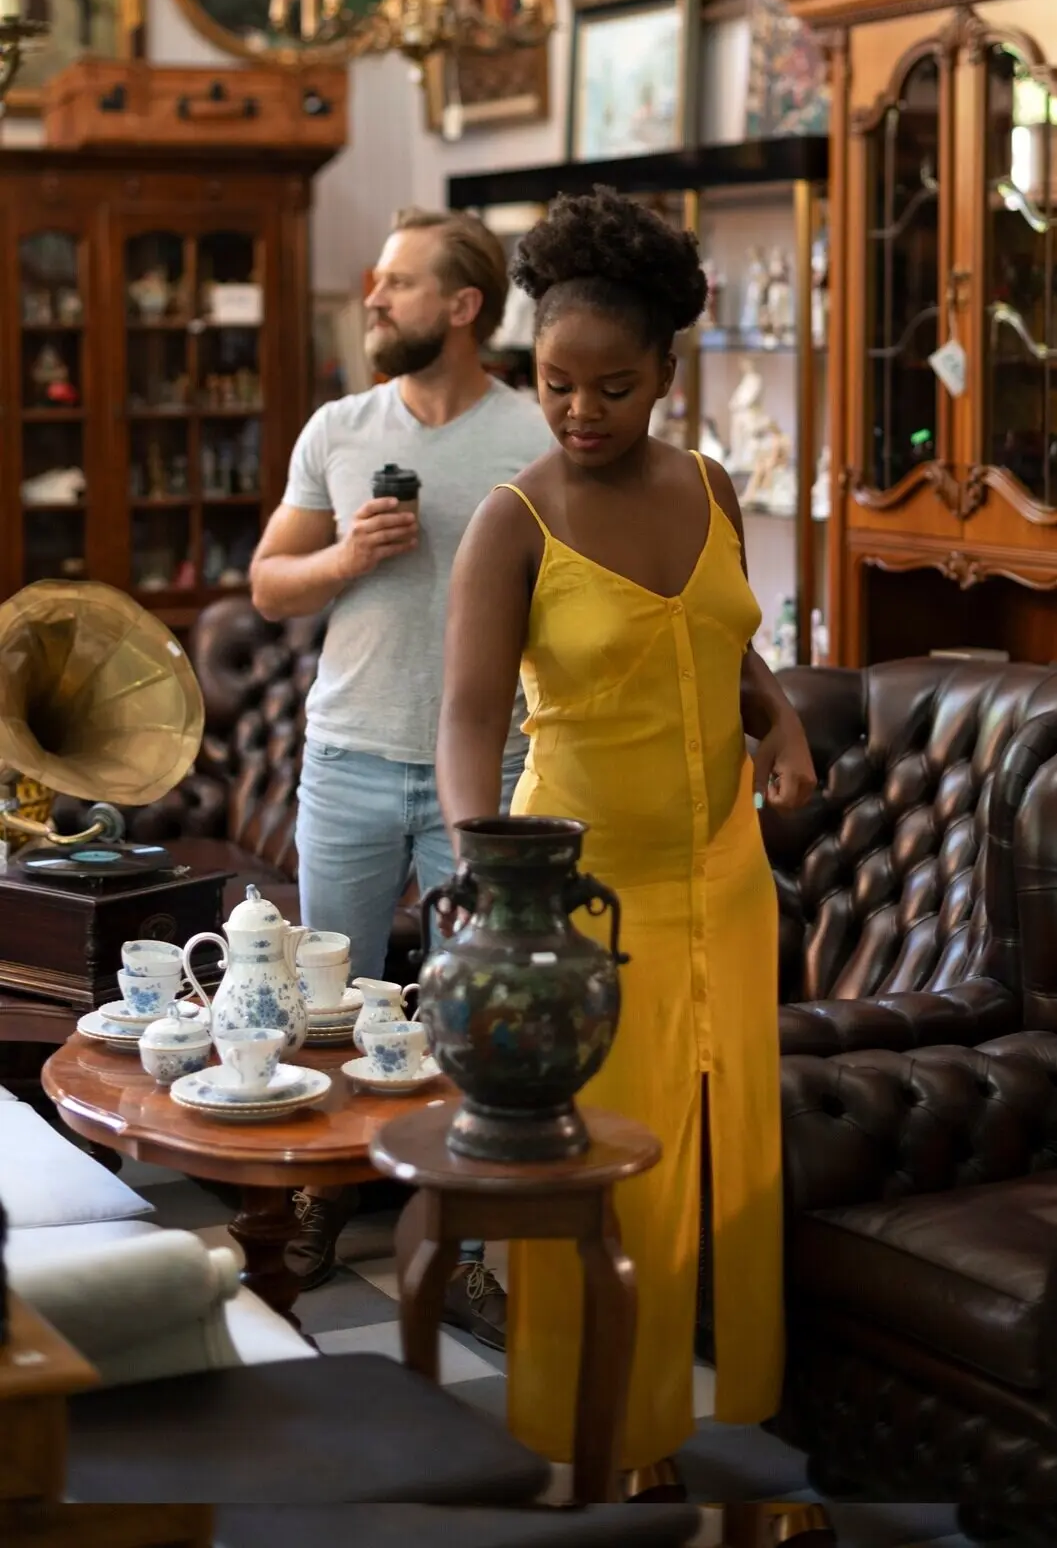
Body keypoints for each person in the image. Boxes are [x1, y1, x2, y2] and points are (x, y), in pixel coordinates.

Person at [436, 186, 817, 1488]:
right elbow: (467, 725)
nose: (580, 414)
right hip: (579, 903)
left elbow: (724, 638)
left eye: (611, 387)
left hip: (723, 873)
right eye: (553, 385)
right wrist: (495, 882)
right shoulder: (513, 521)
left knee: (723, 1163)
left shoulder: (710, 486)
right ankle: (593, 1438)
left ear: (666, 370)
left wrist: (776, 725)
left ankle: (709, 1424)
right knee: (603, 1178)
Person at [250, 207, 550, 1334]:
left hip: (493, 775)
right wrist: (346, 553)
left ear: (463, 306)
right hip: (348, 761)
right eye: (377, 282)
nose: (371, 299)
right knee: (324, 1009)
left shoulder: (533, 435)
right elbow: (268, 583)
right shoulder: (337, 425)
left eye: (396, 283)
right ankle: (322, 1196)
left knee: (477, 1017)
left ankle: (469, 1247)